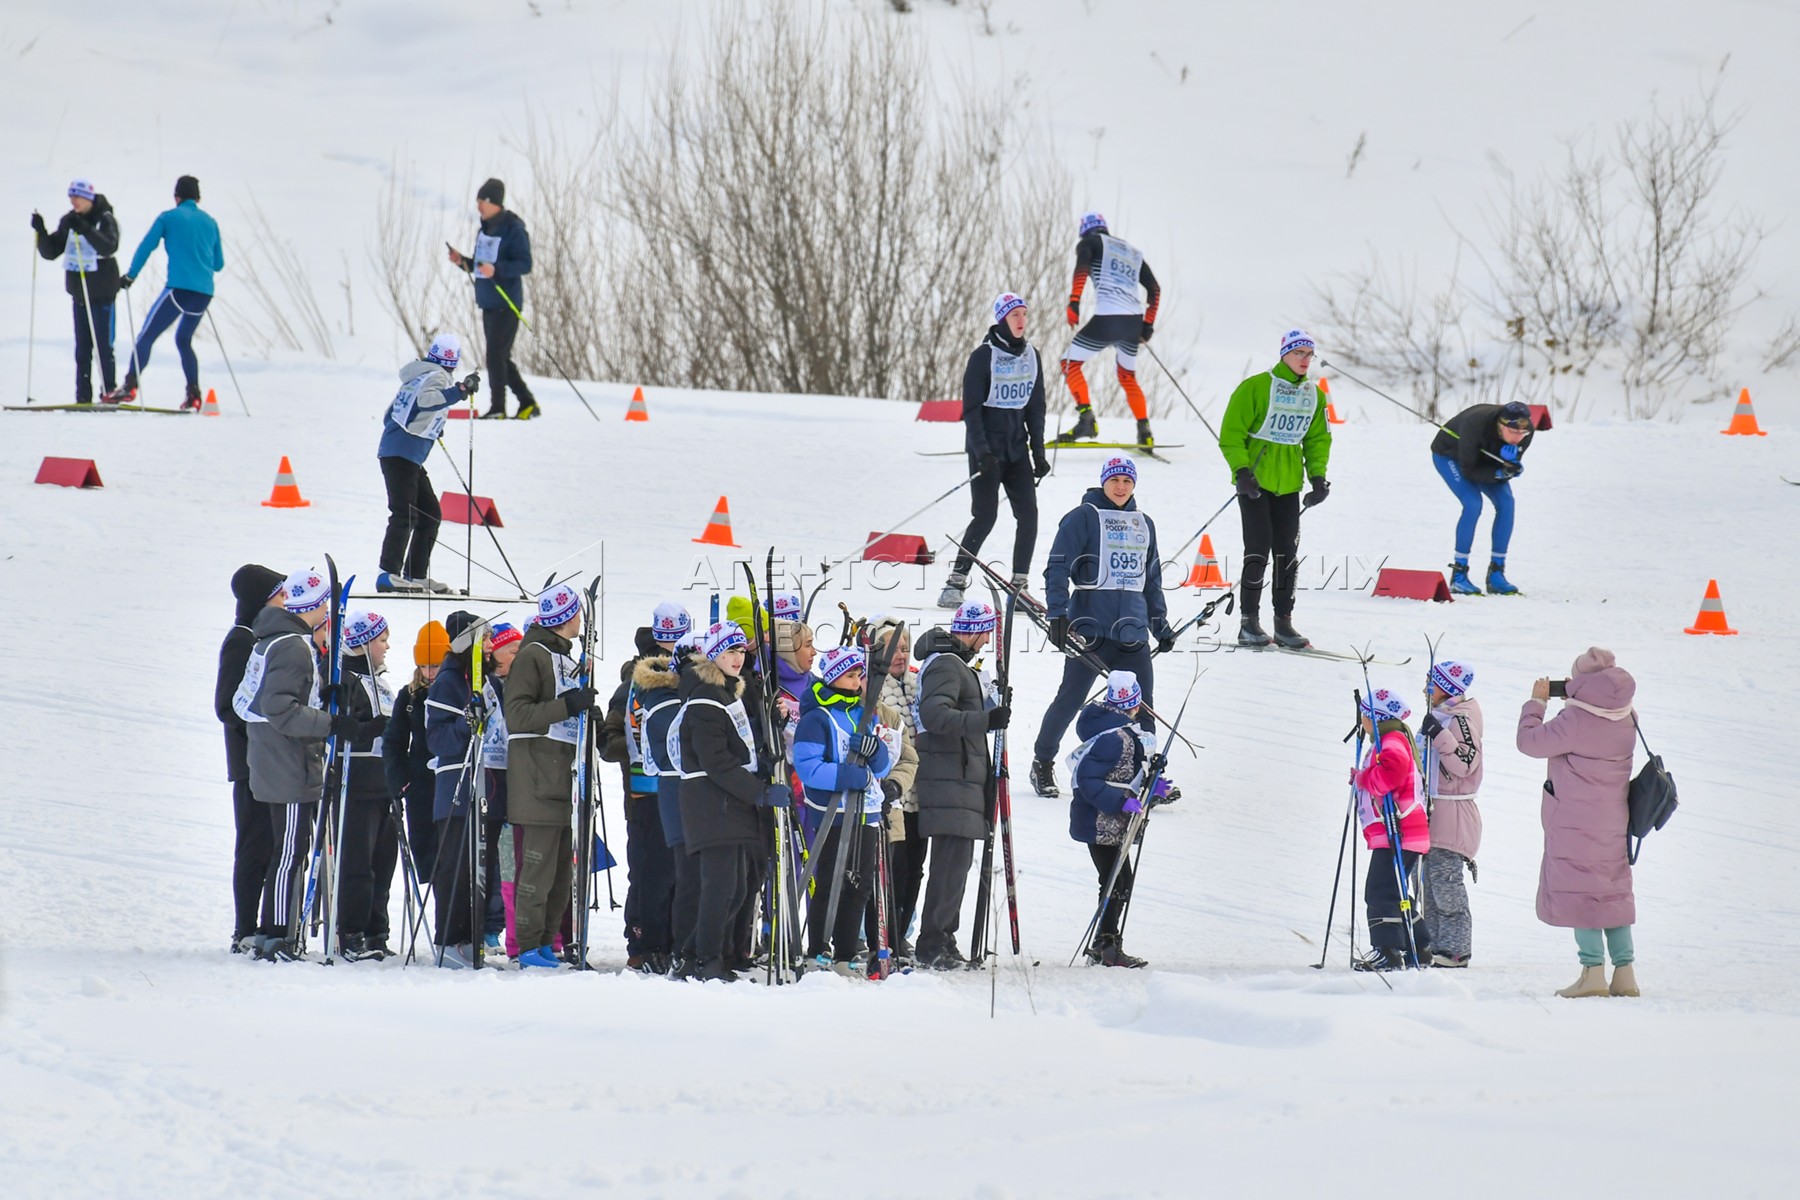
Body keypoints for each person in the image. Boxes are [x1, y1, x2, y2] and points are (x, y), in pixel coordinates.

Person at [1028, 455, 1173, 798]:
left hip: (1132, 632)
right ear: (1104, 481)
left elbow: (1151, 579)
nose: (1121, 487)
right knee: (1070, 699)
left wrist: (1160, 625)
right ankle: (1042, 762)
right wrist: (1058, 615)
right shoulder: (1084, 516)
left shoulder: (1144, 524)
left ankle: (1147, 776)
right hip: (1090, 630)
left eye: (1127, 481)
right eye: (1115, 480)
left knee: (1142, 708)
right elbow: (1057, 567)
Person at [234, 568, 358, 961]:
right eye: (324, 605)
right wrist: (331, 723)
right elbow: (279, 708)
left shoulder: (274, 638)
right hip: (287, 764)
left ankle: (273, 933)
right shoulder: (292, 645)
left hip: (277, 760)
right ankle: (278, 936)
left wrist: (319, 697)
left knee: (287, 849)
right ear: (316, 606)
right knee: (290, 852)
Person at [1517, 647, 1640, 999]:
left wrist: (1536, 704)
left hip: (1574, 821)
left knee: (1581, 892)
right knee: (1612, 891)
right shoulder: (1627, 714)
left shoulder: (1574, 721)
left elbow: (1528, 742)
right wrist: (1579, 696)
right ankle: (1625, 973)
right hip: (1614, 819)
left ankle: (1592, 973)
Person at [1217, 328, 1333, 650]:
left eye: (1309, 355)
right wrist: (1241, 471)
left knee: (1287, 554)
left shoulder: (1314, 395)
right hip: (1255, 483)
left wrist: (1318, 478)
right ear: (1284, 354)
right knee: (1258, 549)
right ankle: (1248, 622)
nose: (1305, 360)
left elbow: (1318, 439)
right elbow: (1231, 433)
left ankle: (1283, 622)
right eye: (1299, 353)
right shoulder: (1255, 387)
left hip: (1289, 485)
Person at [676, 622, 777, 982]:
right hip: (711, 805)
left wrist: (761, 761)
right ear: (713, 655)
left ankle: (697, 954)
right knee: (720, 888)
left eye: (741, 652)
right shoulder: (706, 697)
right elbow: (715, 760)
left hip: (729, 804)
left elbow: (735, 750)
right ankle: (706, 959)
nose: (737, 659)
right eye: (729, 652)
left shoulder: (726, 693)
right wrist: (758, 791)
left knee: (737, 889)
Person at [939, 291, 1051, 608]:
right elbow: (972, 411)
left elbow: (1036, 408)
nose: (1021, 320)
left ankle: (1019, 587)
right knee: (985, 515)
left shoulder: (1032, 356)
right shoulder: (982, 357)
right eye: (1015, 315)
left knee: (1028, 515)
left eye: (1024, 314)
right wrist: (982, 451)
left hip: (1017, 450)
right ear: (1002, 319)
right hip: (987, 450)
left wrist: (1038, 452)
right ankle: (955, 582)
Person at [504, 587, 595, 970]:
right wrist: (566, 706)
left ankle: (544, 942)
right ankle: (527, 945)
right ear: (566, 618)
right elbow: (517, 715)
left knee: (560, 875)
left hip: (562, 779)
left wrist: (585, 710)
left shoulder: (562, 657)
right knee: (537, 870)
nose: (580, 622)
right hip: (537, 780)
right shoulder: (533, 655)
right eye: (577, 615)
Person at [910, 602, 1004, 969]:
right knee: (950, 866)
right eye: (986, 634)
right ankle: (932, 943)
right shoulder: (947, 663)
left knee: (957, 865)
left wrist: (992, 707)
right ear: (975, 631)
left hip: (961, 777)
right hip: (950, 777)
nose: (987, 642)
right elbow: (935, 715)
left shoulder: (956, 664)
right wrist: (985, 720)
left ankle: (944, 938)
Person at [791, 645, 895, 972]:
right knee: (830, 881)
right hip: (832, 814)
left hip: (865, 811)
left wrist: (876, 752)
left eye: (859, 675)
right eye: (850, 675)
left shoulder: (864, 714)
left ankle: (846, 954)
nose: (856, 681)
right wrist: (847, 776)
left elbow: (882, 768)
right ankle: (818, 949)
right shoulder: (816, 718)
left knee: (859, 885)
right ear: (834, 677)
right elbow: (808, 768)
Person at [605, 602, 691, 971]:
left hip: (681, 789)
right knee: (649, 869)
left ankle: (670, 941)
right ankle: (644, 942)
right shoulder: (633, 682)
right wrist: (638, 747)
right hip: (644, 791)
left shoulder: (691, 674)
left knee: (677, 869)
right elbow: (609, 740)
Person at [1067, 670, 1171, 968]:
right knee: (1116, 880)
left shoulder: (1123, 733)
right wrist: (1122, 802)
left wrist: (1155, 784)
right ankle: (1106, 945)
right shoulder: (1113, 738)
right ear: (1136, 703)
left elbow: (1129, 773)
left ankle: (1106, 942)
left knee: (1119, 879)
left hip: (1109, 822)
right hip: (1099, 821)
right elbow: (1088, 779)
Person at [106, 175, 223, 409]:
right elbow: (218, 264)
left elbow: (147, 246)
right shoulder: (211, 223)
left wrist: (131, 276)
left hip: (178, 290)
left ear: (176, 197)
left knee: (147, 336)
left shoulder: (168, 217)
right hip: (204, 294)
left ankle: (129, 386)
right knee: (183, 340)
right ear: (198, 198)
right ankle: (194, 394)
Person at [215, 564, 285, 953]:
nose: (285, 602)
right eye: (278, 595)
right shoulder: (242, 640)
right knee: (255, 843)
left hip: (271, 762)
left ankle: (266, 924)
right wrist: (265, 727)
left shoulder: (263, 638)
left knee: (273, 843)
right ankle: (244, 928)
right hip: (250, 763)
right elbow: (227, 706)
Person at [376, 332, 480, 594]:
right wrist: (460, 391)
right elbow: (426, 401)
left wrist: (430, 426)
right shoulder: (437, 376)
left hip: (403, 454)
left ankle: (415, 575)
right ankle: (387, 575)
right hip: (401, 455)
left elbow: (392, 414)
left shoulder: (418, 375)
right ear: (454, 361)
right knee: (404, 513)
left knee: (430, 515)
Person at [1053, 212, 1163, 448]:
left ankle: (1086, 419)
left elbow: (1082, 269)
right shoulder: (1132, 252)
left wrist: (1074, 302)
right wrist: (1148, 325)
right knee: (1127, 376)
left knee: (1068, 363)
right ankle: (1145, 431)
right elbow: (1155, 290)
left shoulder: (1089, 243)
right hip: (1133, 322)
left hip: (1108, 318)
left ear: (1084, 230)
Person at [334, 612, 400, 961]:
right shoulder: (344, 678)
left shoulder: (382, 682)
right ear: (363, 642)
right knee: (358, 864)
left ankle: (377, 932)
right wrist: (369, 728)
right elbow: (342, 728)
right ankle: (352, 932)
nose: (387, 647)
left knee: (383, 864)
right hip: (357, 784)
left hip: (384, 785)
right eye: (382, 640)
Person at [1350, 687, 1431, 972]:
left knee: (1379, 891)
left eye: (1365, 715)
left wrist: (1365, 779)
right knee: (1394, 889)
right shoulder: (1394, 738)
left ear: (1375, 717)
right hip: (1403, 830)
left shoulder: (1391, 741)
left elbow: (1392, 772)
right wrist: (1363, 778)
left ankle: (1388, 951)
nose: (1362, 720)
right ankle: (1418, 946)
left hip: (1398, 829)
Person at [424, 611, 488, 968]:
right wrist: (466, 722)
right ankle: (449, 939)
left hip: (481, 785)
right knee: (455, 866)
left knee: (475, 867)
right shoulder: (448, 681)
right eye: (484, 637)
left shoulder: (478, 679)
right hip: (455, 786)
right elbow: (436, 739)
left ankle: (469, 937)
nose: (490, 644)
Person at [447, 178, 538, 419]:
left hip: (506, 303)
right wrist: (462, 262)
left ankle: (498, 407)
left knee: (495, 356)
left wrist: (497, 269)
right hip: (488, 301)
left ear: (493, 202)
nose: (478, 206)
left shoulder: (513, 228)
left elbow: (525, 264)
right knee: (500, 357)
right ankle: (527, 402)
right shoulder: (484, 230)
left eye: (481, 201)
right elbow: (481, 267)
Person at [865, 616, 926, 960]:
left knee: (914, 869)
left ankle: (901, 933)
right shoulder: (872, 688)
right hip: (889, 799)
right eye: (893, 648)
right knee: (891, 869)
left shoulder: (918, 683)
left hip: (918, 795)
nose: (901, 655)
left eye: (905, 647)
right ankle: (878, 934)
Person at [32, 179, 121, 405]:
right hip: (80, 294)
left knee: (103, 346)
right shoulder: (70, 220)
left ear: (88, 198)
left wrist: (87, 230)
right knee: (82, 349)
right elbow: (51, 251)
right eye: (71, 197)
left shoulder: (105, 218)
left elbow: (109, 246)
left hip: (102, 293)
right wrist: (41, 231)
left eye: (78, 197)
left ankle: (109, 391)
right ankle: (83, 396)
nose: (73, 201)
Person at [1431, 400, 1534, 595]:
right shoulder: (1475, 424)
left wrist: (1510, 466)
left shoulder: (1526, 433)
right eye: (1513, 432)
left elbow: (1507, 469)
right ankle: (1459, 575)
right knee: (1473, 503)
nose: (1518, 438)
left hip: (1484, 461)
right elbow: (1469, 470)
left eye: (1523, 433)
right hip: (1451, 457)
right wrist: (1500, 472)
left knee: (1507, 503)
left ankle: (1496, 573)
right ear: (1500, 425)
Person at [1418, 660, 1483, 968]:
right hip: (1431, 813)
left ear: (1446, 688)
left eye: (1431, 684)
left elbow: (1466, 764)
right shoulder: (1441, 716)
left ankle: (1455, 950)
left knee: (1446, 887)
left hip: (1452, 815)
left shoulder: (1461, 719)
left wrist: (1439, 735)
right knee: (1428, 887)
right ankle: (1434, 946)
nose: (1425, 689)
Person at [383, 620, 447, 884]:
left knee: (450, 856)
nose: (429, 672)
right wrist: (400, 782)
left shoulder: (456, 691)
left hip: (449, 781)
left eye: (435, 665)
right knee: (427, 854)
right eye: (424, 665)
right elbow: (393, 741)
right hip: (419, 786)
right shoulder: (409, 696)